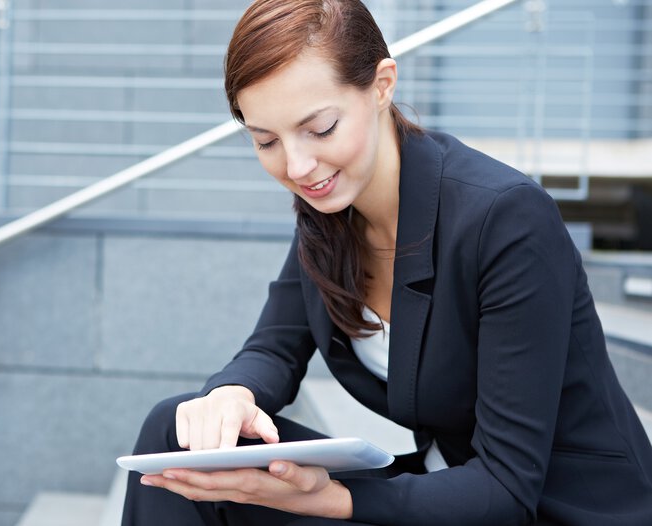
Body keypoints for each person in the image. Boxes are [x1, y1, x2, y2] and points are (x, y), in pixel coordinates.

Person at [121, 0, 652, 524]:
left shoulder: (505, 219)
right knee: (176, 432)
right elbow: (275, 347)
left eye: (321, 128)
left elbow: (508, 490)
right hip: (445, 488)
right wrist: (230, 395)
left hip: (551, 507)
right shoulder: (332, 208)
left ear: (382, 85)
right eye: (266, 141)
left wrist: (333, 499)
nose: (298, 166)